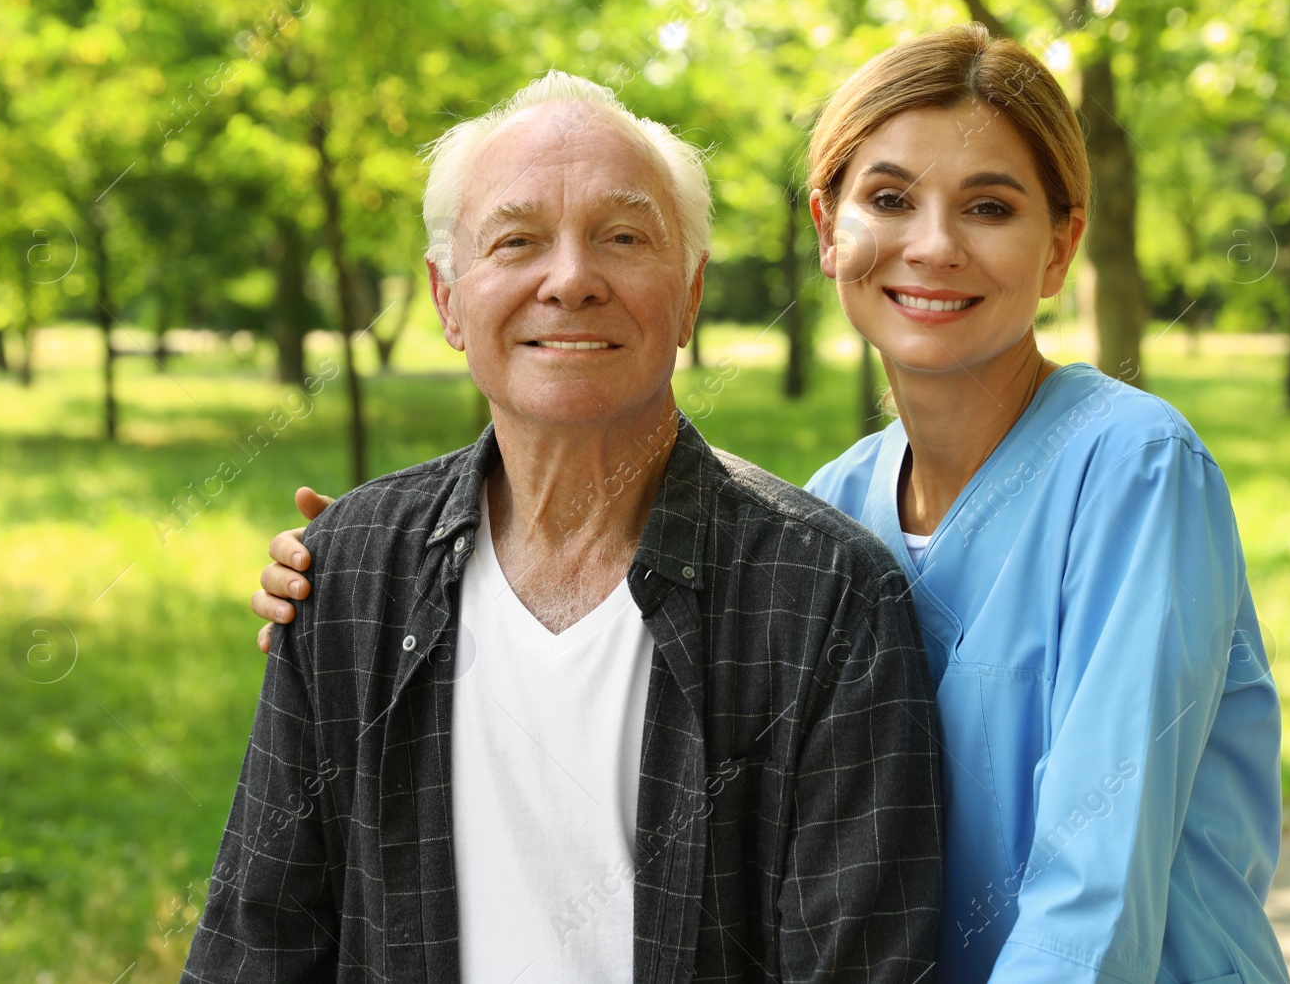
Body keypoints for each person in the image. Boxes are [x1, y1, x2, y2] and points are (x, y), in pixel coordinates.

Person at [255, 26, 1290, 983]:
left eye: (989, 206)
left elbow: (1095, 891)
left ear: (1060, 246)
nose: (932, 245)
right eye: (889, 199)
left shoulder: (1134, 470)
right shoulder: (840, 504)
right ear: (828, 228)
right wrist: (398, 561)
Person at [186, 72, 942, 982]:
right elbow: (257, 942)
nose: (573, 279)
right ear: (448, 298)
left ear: (691, 295)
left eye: (623, 237)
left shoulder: (828, 599)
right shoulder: (346, 573)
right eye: (517, 240)